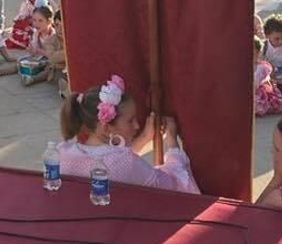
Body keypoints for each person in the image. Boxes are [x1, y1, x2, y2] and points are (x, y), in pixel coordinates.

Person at [56, 75, 199, 192]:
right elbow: (174, 186)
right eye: (130, 121)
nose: (137, 125)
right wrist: (172, 142)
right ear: (106, 128)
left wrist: (144, 138)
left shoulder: (63, 154)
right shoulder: (125, 163)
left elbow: (113, 160)